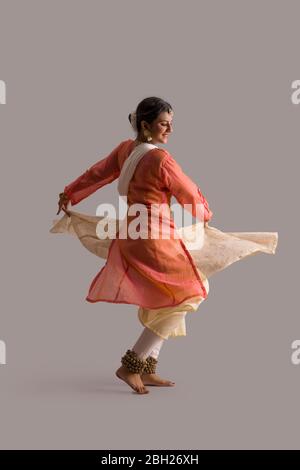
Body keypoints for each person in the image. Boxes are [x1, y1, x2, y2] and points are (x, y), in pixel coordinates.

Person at [54, 96, 278, 395]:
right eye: (163, 124)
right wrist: (205, 214)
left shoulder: (125, 149)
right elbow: (188, 193)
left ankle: (148, 367)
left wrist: (70, 193)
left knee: (164, 295)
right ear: (145, 125)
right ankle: (132, 365)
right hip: (153, 237)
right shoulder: (160, 159)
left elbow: (99, 173)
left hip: (133, 233)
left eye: (172, 124)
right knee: (191, 292)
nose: (169, 129)